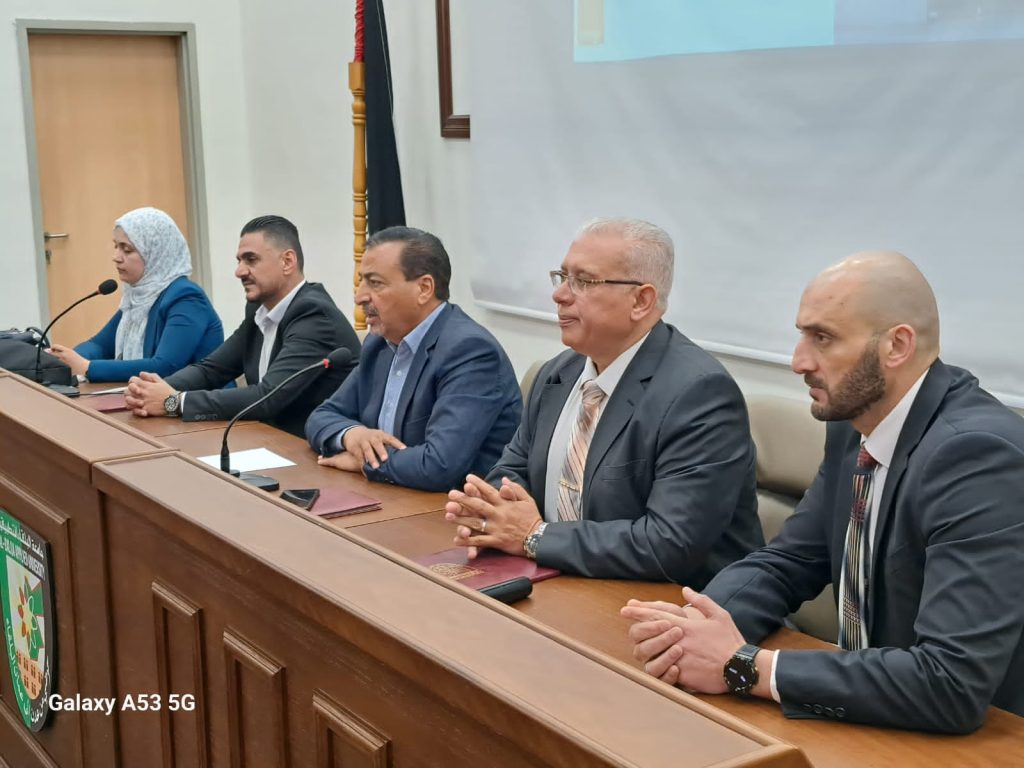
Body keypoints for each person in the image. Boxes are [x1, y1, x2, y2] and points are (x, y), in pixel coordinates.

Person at [623, 251, 1024, 733]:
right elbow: (788, 561)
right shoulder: (855, 424)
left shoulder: (977, 456)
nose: (799, 361)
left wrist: (744, 666)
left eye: (823, 338)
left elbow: (949, 683)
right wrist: (692, 629)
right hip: (867, 709)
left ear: (897, 345)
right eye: (802, 335)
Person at [444, 218, 762, 583]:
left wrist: (535, 536)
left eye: (583, 281)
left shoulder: (699, 394)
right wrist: (494, 514)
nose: (560, 295)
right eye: (562, 277)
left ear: (641, 301)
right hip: (559, 579)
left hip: (670, 602)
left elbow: (669, 544)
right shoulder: (557, 374)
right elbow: (513, 470)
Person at [306, 226, 521, 491]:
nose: (359, 296)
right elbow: (322, 416)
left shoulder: (470, 351)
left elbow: (439, 465)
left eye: (375, 283)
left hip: (450, 507)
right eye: (362, 281)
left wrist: (366, 462)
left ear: (424, 288)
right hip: (393, 494)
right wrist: (353, 435)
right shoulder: (380, 343)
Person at [124, 215, 359, 437]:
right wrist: (152, 390)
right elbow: (212, 370)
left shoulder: (314, 315)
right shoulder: (259, 309)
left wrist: (173, 402)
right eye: (239, 261)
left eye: (251, 260)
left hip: (312, 449)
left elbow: (267, 397)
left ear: (287, 261)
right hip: (267, 440)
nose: (239, 272)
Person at [47, 207, 223, 382]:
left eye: (127, 250)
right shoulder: (138, 296)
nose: (116, 257)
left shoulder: (186, 298)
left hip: (196, 398)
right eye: (116, 246)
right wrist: (62, 361)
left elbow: (164, 367)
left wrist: (87, 367)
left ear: (155, 252)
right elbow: (100, 345)